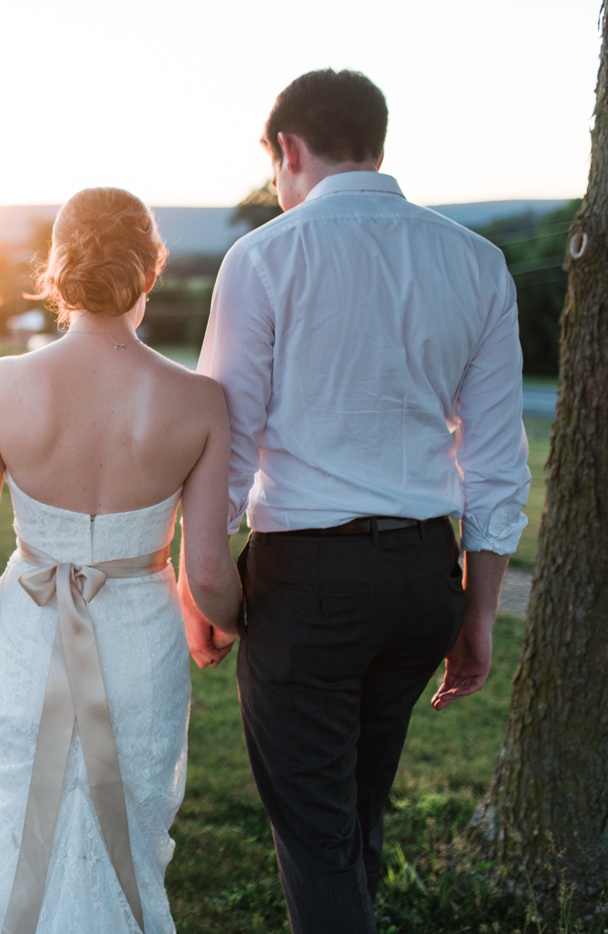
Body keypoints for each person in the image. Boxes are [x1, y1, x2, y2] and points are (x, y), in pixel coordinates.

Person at [197, 69, 532, 933]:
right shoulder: (478, 262)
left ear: (288, 150)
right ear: (377, 143)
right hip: (425, 575)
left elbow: (227, 445)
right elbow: (495, 465)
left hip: (306, 583)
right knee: (356, 813)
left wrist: (203, 586)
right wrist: (479, 610)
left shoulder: (265, 256)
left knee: (315, 838)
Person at [0, 187, 241, 934]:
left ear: (56, 272)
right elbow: (210, 574)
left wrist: (3, 635)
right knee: (121, 833)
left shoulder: (1, 384)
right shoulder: (198, 402)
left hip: (27, 630)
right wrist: (225, 622)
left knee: (10, 828)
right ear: (151, 270)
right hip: (141, 644)